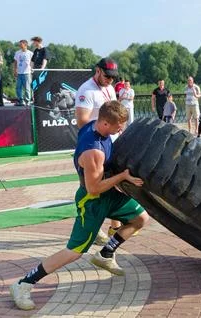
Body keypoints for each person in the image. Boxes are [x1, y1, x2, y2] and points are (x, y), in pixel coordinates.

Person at [10, 100, 149, 311]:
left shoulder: (94, 126)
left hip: (108, 194)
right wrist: (123, 176)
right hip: (91, 201)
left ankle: (105, 254)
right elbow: (94, 188)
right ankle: (24, 284)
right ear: (104, 123)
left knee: (140, 218)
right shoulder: (94, 152)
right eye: (118, 125)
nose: (121, 129)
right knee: (74, 251)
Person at [75, 57, 121, 244]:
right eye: (107, 76)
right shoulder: (86, 91)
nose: (110, 80)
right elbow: (82, 122)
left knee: (113, 184)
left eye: (113, 77)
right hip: (95, 145)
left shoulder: (110, 88)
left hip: (111, 142)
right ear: (98, 70)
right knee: (91, 188)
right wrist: (103, 129)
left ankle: (115, 226)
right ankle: (92, 226)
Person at [14, 39, 34, 106]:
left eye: (21, 44)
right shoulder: (17, 53)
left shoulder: (30, 53)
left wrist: (31, 69)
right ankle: (20, 100)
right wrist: (15, 70)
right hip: (19, 73)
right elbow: (15, 62)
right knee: (18, 87)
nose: (20, 45)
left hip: (27, 73)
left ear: (25, 45)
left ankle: (27, 100)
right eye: (19, 44)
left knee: (27, 88)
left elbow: (32, 62)